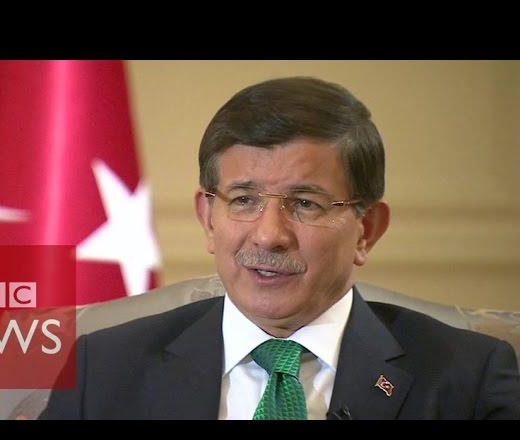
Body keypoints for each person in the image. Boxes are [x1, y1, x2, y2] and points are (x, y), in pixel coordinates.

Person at [40, 76, 520, 419]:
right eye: (244, 200)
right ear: (208, 219)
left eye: (306, 203)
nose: (269, 235)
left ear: (367, 230)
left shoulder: (468, 378)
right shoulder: (102, 369)